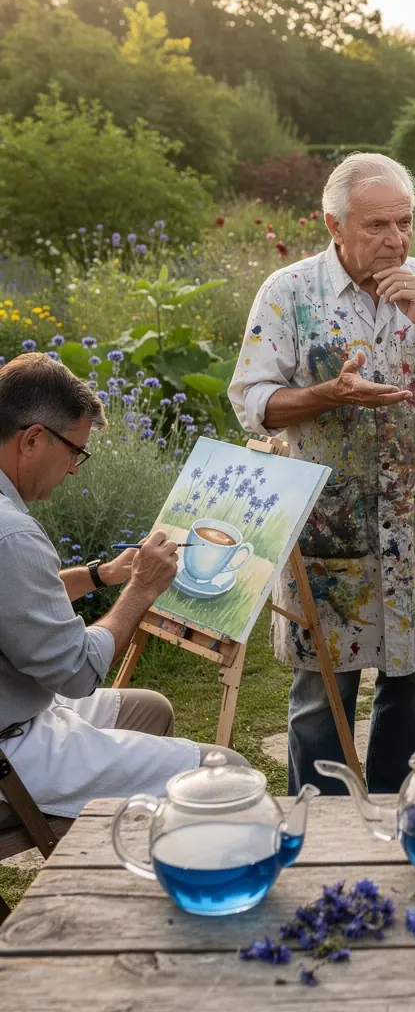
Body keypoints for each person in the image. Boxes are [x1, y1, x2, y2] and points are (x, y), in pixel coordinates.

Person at [229, 152, 415, 796]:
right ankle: (320, 827)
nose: (395, 240)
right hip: (328, 535)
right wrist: (329, 395)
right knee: (322, 693)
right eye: (377, 225)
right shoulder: (288, 292)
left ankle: (392, 813)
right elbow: (252, 403)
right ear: (334, 225)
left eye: (404, 223)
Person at [0, 354, 247, 826]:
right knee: (226, 772)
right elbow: (76, 672)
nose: (74, 469)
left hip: (19, 711)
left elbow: (17, 597)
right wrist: (140, 590)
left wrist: (102, 575)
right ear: (33, 439)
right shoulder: (11, 534)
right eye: (76, 451)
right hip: (12, 747)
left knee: (149, 710)